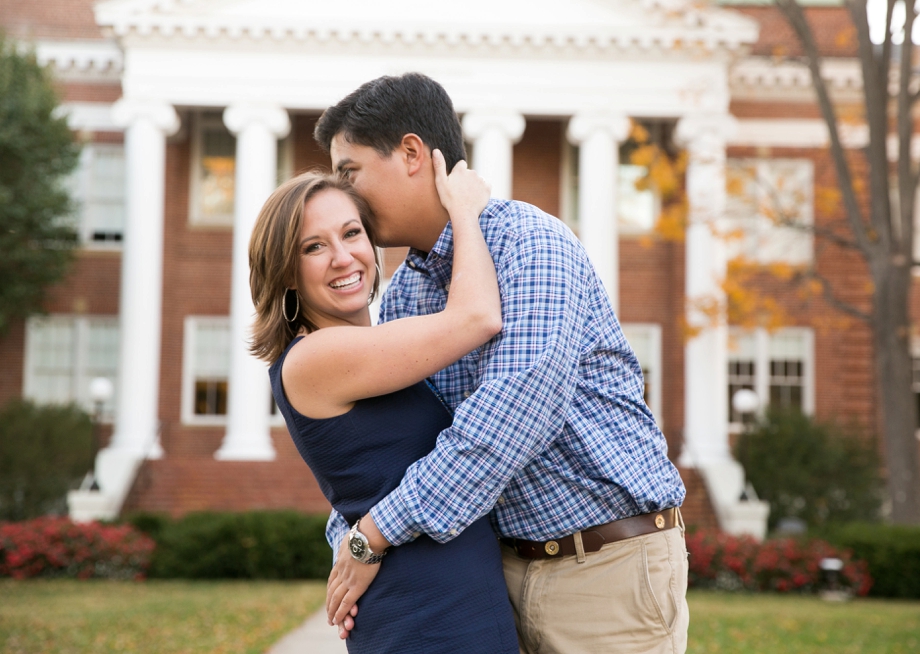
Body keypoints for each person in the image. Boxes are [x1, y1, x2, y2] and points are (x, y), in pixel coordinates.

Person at [318, 72, 690, 654]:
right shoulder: (405, 295)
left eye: (350, 172)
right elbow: (387, 443)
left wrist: (373, 535)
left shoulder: (531, 243)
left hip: (607, 567)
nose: (344, 196)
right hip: (497, 576)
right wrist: (348, 538)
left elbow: (514, 414)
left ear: (412, 153)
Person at [248, 160, 520, 653]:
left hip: (457, 605)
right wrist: (463, 209)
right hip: (424, 620)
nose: (342, 257)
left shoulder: (361, 348)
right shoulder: (316, 356)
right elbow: (478, 316)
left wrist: (356, 540)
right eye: (314, 247)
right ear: (286, 273)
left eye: (351, 233)